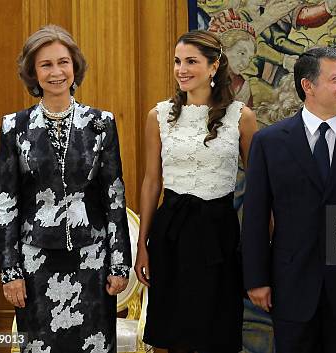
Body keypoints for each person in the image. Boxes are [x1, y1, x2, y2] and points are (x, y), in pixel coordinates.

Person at [242, 46, 336, 353]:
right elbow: (256, 217)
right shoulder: (269, 142)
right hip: (291, 285)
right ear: (308, 86)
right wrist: (256, 278)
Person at [0, 24, 131, 352]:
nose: (56, 72)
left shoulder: (102, 123)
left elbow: (114, 195)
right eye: (46, 65)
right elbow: (5, 203)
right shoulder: (13, 127)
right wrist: (9, 270)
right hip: (34, 262)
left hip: (93, 260)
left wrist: (120, 263)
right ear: (33, 72)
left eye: (63, 62)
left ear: (74, 66)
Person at [134, 30, 257, 353]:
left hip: (218, 233)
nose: (181, 69)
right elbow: (151, 182)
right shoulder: (158, 116)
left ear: (214, 66)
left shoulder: (241, 117)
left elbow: (259, 186)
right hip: (170, 232)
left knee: (217, 333)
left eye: (191, 61)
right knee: (171, 335)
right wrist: (142, 245)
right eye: (177, 62)